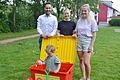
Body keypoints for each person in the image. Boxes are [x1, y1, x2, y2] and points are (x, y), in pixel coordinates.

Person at [73, 4, 98, 80]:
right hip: (79, 41)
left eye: (85, 11)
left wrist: (91, 46)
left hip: (87, 41)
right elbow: (76, 31)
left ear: (88, 11)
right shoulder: (79, 20)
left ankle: (88, 78)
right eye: (82, 11)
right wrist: (75, 33)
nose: (83, 12)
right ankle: (83, 76)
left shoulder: (92, 21)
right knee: (81, 60)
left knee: (86, 62)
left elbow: (94, 35)